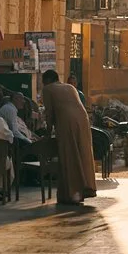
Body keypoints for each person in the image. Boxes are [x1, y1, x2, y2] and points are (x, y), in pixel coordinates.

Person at [40, 68, 97, 207]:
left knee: (69, 156)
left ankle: (72, 193)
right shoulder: (70, 87)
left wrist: (47, 134)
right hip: (83, 121)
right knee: (83, 152)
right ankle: (87, 188)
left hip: (66, 122)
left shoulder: (48, 89)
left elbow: (49, 114)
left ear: (47, 80)